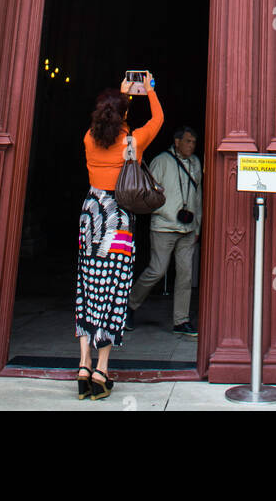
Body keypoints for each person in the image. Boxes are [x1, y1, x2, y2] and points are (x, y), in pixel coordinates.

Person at [76, 73, 163, 399]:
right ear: (124, 115)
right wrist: (147, 90)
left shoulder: (88, 139)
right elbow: (159, 119)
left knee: (88, 287)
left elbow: (107, 121)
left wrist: (120, 99)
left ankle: (83, 365)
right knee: (113, 290)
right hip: (117, 217)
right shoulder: (133, 142)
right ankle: (101, 370)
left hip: (90, 214)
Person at [127, 125, 202, 336]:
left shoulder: (196, 163)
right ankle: (130, 305)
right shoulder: (161, 161)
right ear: (177, 142)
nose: (192, 145)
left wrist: (198, 224)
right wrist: (161, 212)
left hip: (188, 228)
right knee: (157, 270)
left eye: (194, 142)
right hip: (163, 227)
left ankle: (181, 320)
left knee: (185, 275)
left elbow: (198, 196)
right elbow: (149, 191)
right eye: (188, 141)